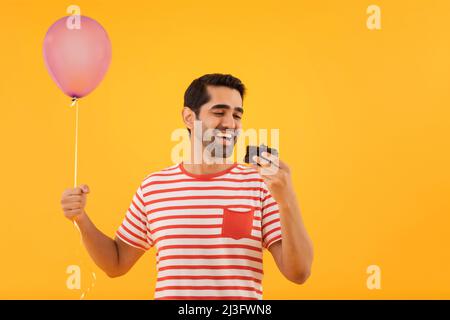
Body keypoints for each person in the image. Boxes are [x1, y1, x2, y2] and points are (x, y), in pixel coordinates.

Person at [60, 73, 314, 300]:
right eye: (219, 112)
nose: (231, 123)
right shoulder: (154, 187)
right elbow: (115, 264)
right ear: (189, 117)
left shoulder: (259, 186)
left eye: (237, 114)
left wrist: (287, 200)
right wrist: (81, 219)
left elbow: (299, 273)